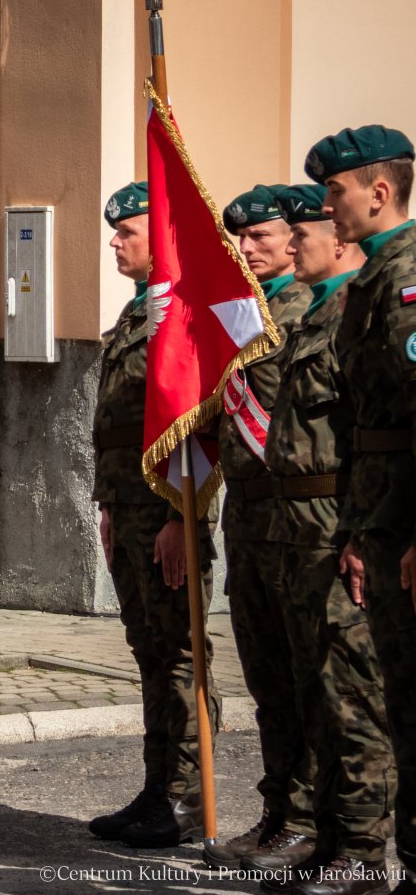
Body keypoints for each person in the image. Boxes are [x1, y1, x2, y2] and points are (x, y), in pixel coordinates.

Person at [244, 183, 394, 895]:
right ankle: (329, 838)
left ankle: (364, 851)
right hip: (292, 530)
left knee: (351, 694)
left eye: (306, 229)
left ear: (340, 240)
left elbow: (374, 438)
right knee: (313, 691)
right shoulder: (315, 317)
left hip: (336, 523)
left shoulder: (352, 313)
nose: (298, 240)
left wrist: (365, 529)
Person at [87, 182, 221, 849]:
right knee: (147, 652)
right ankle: (155, 785)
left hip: (168, 513)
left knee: (178, 653)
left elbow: (200, 427)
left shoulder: (182, 314)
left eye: (127, 231)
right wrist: (108, 505)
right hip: (129, 510)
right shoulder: (137, 311)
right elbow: (116, 427)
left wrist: (183, 516)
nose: (115, 242)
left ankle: (190, 795)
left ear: (160, 235)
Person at [314, 124, 416, 895]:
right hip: (379, 515)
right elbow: (365, 426)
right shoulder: (375, 278)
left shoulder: (409, 276)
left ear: (379, 191)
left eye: (337, 190)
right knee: (398, 698)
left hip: (406, 521)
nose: (327, 204)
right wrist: (356, 527)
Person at [205, 185, 316, 870]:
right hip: (248, 519)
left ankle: (310, 818)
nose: (247, 249)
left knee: (310, 677)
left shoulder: (309, 312)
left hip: (300, 520)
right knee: (268, 678)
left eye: (262, 236)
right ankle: (277, 810)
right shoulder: (247, 314)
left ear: (296, 233)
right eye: (239, 240)